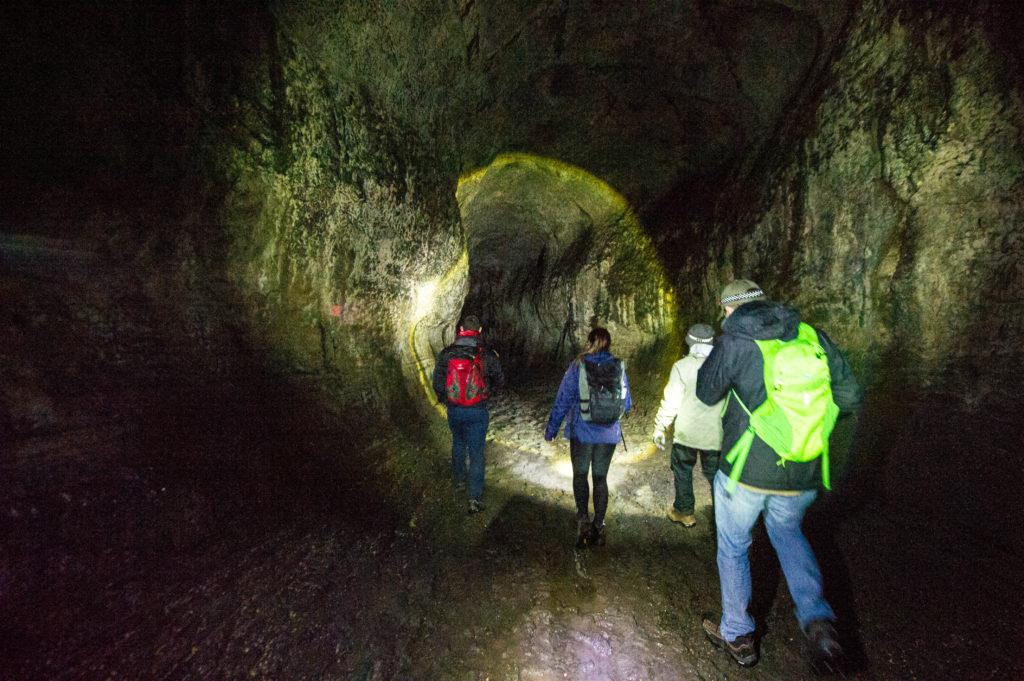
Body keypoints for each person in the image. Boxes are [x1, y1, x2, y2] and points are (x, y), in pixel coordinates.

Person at [696, 279, 862, 671]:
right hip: (803, 470)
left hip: (745, 470)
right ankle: (819, 621)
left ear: (730, 308)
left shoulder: (735, 339)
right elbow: (851, 396)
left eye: (723, 310)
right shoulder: (810, 334)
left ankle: (737, 634)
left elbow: (706, 392)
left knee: (734, 546)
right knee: (788, 533)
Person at [544, 327, 632, 548]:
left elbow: (563, 398)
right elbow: (627, 403)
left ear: (589, 342)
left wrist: (552, 429)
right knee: (600, 478)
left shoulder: (578, 365)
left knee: (581, 475)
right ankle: (599, 525)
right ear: (609, 344)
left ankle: (583, 520)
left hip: (582, 432)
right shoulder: (618, 367)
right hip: (608, 434)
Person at [651, 323, 724, 528]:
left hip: (687, 432)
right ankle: (723, 516)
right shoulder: (723, 365)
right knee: (716, 475)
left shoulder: (681, 367)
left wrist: (660, 427)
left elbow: (672, 400)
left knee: (682, 469)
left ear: (690, 344)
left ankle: (684, 512)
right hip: (715, 433)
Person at [432, 314, 503, 514]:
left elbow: (437, 381)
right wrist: (487, 393)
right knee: (477, 452)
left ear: (460, 328)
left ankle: (459, 481)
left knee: (458, 444)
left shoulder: (447, 353)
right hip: (478, 410)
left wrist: (446, 399)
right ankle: (474, 497)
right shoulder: (487, 354)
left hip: (455, 409)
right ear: (479, 331)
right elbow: (499, 380)